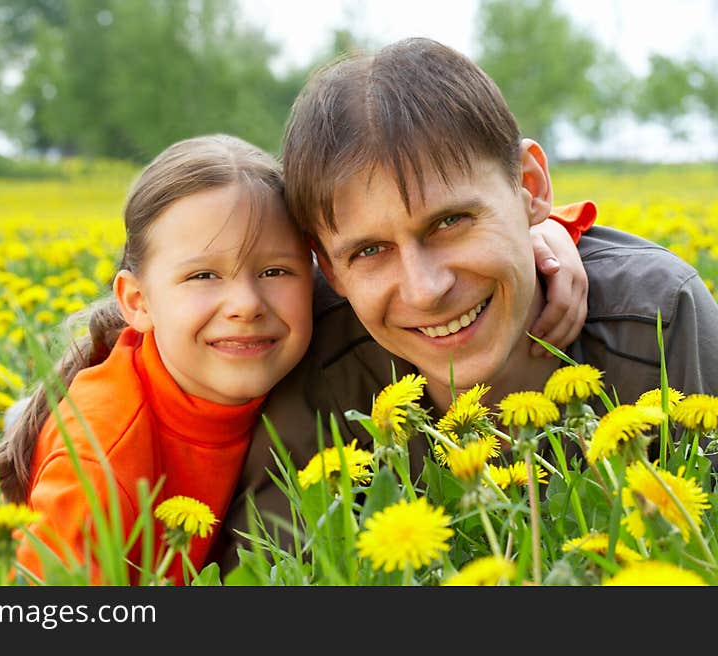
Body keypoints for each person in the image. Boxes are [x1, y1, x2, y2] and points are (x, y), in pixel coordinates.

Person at [216, 37, 718, 571]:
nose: (425, 288)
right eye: (370, 250)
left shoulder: (661, 319)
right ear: (330, 266)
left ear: (530, 186)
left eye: (451, 222)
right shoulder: (308, 349)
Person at [0, 133, 317, 585]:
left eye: (275, 271)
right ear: (138, 302)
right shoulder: (104, 460)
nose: (246, 304)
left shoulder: (326, 365)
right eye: (203, 275)